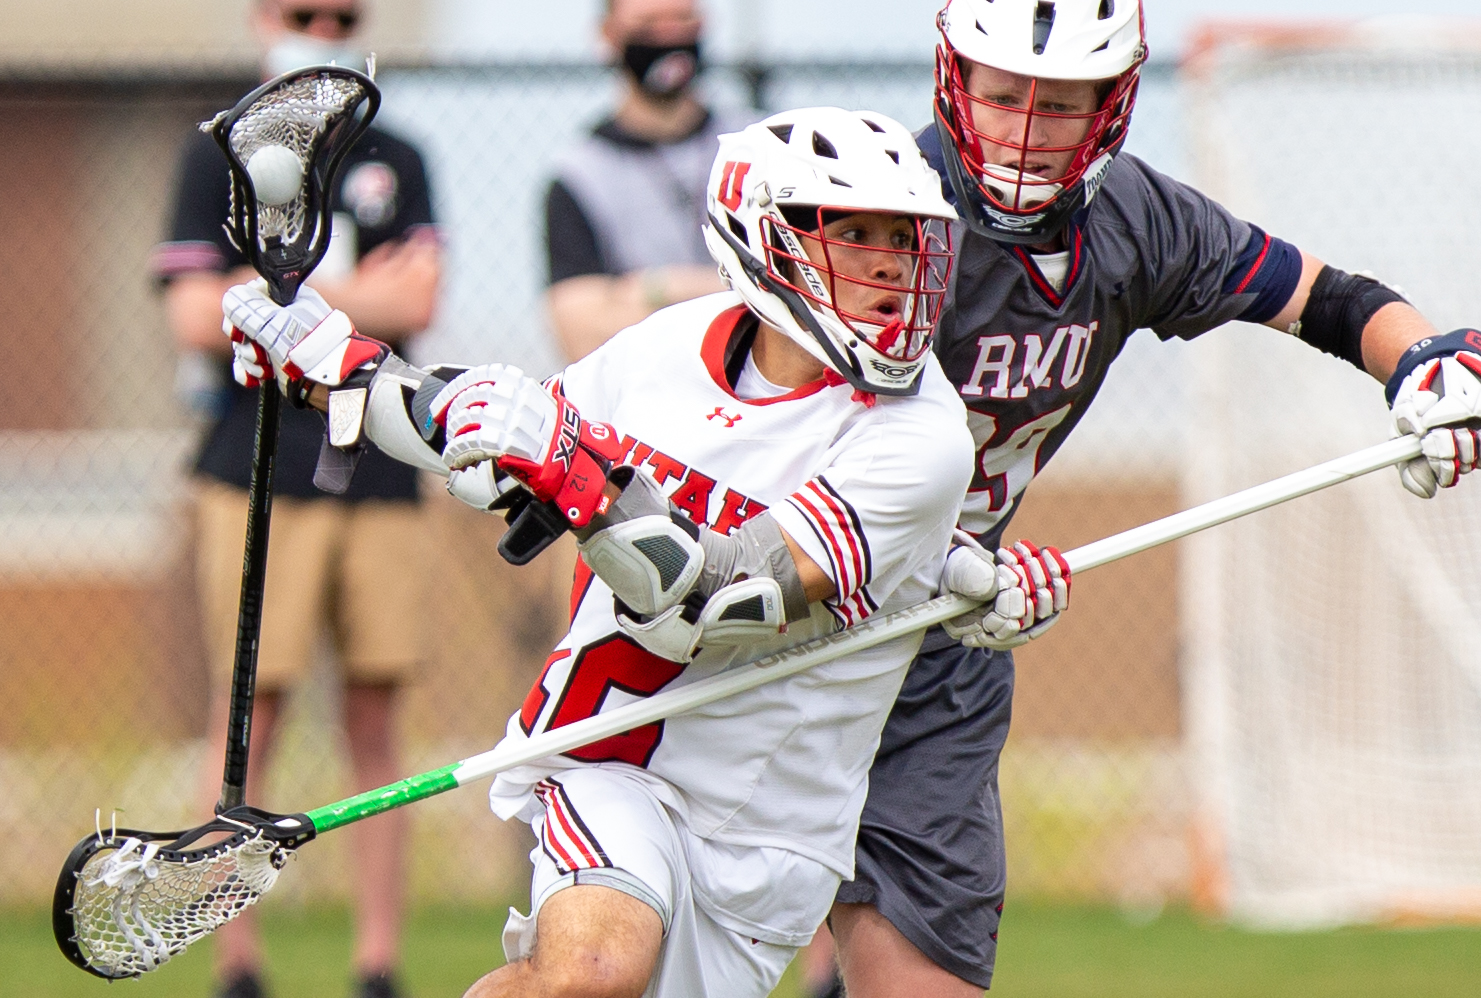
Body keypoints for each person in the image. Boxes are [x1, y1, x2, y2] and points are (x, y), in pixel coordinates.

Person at [220, 107, 1057, 998]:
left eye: (905, 236)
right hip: (611, 762)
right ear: (765, 240)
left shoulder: (920, 435)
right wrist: (336, 367)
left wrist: (578, 474)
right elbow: (496, 463)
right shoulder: (664, 351)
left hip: (768, 837)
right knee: (589, 976)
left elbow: (721, 604)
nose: (891, 262)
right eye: (852, 233)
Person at [826, 2, 1481, 996]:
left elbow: (1328, 299)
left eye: (1057, 106)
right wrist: (934, 556)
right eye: (1000, 96)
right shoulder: (882, 219)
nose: (1019, 130)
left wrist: (1427, 363)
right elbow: (778, 452)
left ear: (1112, 105)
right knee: (621, 964)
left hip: (944, 647)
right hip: (792, 626)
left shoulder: (1137, 223)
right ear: (953, 81)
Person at [150, 2, 441, 997]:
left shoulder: (395, 151)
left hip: (380, 462)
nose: (321, 25)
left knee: (375, 719)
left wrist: (278, 301)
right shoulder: (214, 152)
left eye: (341, 13)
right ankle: (232, 957)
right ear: (260, 16)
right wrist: (358, 292)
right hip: (253, 465)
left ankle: (377, 962)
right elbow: (194, 311)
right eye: (301, 10)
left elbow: (422, 300)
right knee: (249, 721)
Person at [543, 0, 754, 362]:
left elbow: (805, 295)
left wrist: (651, 288)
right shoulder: (577, 175)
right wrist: (739, 291)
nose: (669, 37)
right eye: (649, 24)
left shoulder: (759, 144)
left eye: (682, 20)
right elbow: (580, 336)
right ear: (608, 34)